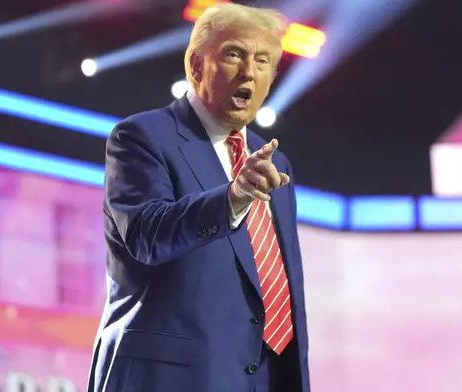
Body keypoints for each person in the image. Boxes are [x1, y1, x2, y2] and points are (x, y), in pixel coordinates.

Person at [87, 3, 310, 392]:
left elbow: (275, 291)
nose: (248, 72)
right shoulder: (141, 137)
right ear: (195, 66)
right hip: (169, 379)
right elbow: (146, 236)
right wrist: (232, 198)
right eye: (234, 54)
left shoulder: (275, 161)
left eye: (262, 62)